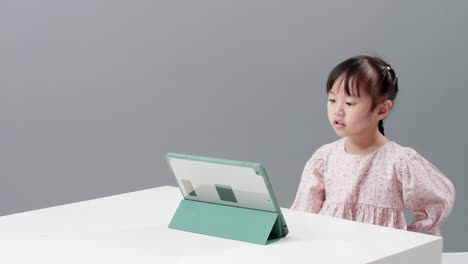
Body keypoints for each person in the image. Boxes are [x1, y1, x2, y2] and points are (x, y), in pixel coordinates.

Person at [291, 55, 455, 236]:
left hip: (382, 255)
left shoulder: (399, 163)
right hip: (331, 252)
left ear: (381, 109)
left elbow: (437, 201)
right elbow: (303, 214)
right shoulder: (324, 159)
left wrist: (411, 241)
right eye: (332, 100)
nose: (338, 110)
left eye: (349, 103)